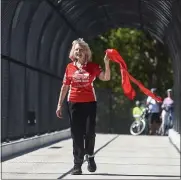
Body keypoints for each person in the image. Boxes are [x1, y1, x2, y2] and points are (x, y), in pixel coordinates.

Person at [56, 38, 111, 175]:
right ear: (73, 52)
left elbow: (106, 77)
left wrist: (106, 63)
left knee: (90, 132)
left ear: (86, 52)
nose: (79, 52)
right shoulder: (69, 67)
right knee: (77, 135)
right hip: (73, 103)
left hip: (90, 103)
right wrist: (59, 104)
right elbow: (65, 86)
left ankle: (90, 156)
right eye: (76, 49)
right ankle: (77, 164)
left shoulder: (92, 66)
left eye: (81, 49)